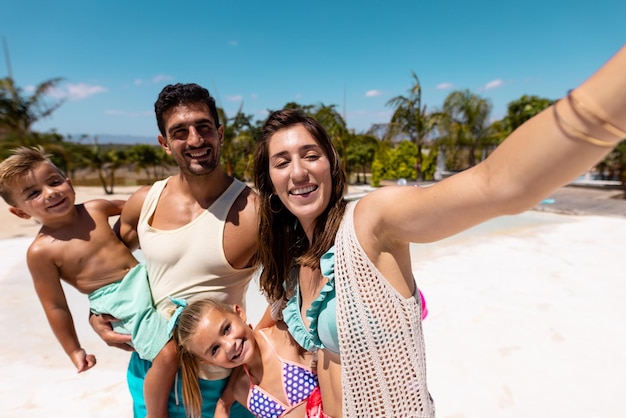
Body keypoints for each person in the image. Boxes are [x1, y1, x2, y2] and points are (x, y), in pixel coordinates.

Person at [252, 46, 626, 417]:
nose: (298, 172)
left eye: (311, 154)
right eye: (282, 162)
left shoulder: (370, 222)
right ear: (270, 180)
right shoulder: (296, 260)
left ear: (331, 164)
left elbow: (496, 185)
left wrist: (601, 108)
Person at [89, 83, 260, 417]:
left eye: (203, 127)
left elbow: (292, 294)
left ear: (220, 133)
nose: (195, 140)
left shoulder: (254, 212)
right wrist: (96, 315)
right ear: (164, 144)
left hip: (221, 379)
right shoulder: (144, 202)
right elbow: (103, 267)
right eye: (180, 132)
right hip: (151, 371)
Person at [0, 146, 178, 418]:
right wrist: (74, 350)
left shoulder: (95, 209)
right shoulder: (42, 251)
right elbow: (55, 306)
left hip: (145, 280)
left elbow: (142, 204)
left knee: (188, 327)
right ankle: (154, 412)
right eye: (33, 193)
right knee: (166, 353)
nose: (50, 192)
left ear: (69, 183)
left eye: (54, 181)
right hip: (117, 301)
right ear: (21, 213)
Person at [172, 298, 319, 418]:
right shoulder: (243, 391)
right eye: (215, 349)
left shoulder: (285, 336)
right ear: (209, 362)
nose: (229, 346)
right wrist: (221, 406)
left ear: (239, 313)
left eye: (226, 329)